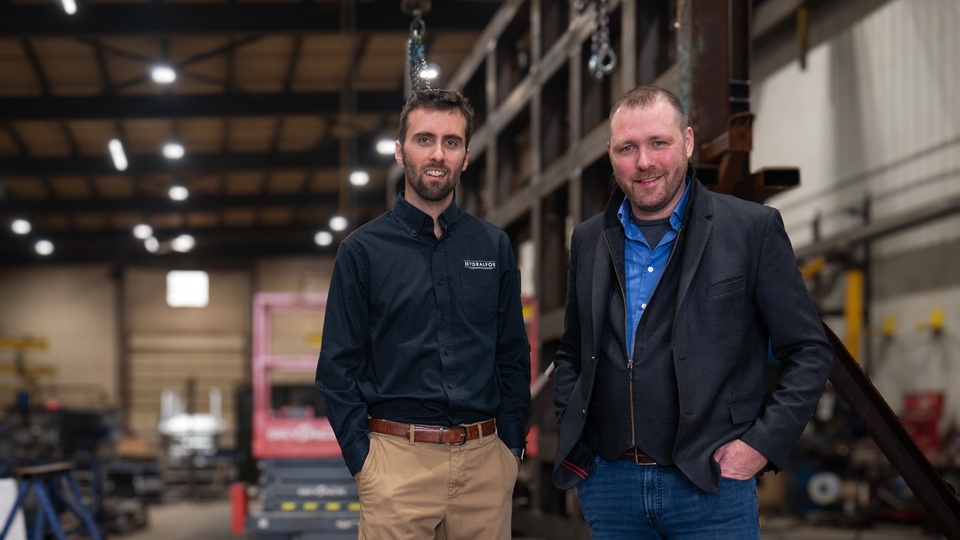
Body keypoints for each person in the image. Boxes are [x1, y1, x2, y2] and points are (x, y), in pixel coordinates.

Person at [551, 84, 834, 538]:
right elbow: (571, 352)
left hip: (712, 485)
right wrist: (578, 439)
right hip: (611, 487)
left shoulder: (749, 229)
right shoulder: (589, 239)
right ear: (611, 154)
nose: (643, 162)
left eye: (658, 143)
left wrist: (761, 445)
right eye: (628, 148)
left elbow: (809, 350)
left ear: (687, 141)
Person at [315, 88, 531, 540]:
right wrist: (364, 463)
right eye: (424, 139)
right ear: (400, 151)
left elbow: (512, 355)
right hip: (396, 465)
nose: (437, 154)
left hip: (485, 464)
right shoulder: (362, 251)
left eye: (451, 142)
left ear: (466, 156)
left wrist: (510, 448)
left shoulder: (492, 247)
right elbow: (337, 369)